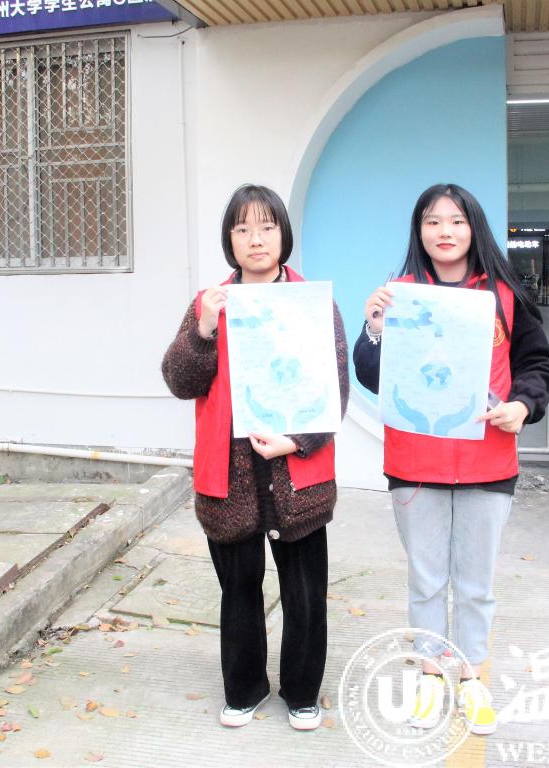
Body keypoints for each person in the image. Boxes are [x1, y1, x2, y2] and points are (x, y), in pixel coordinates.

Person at [352, 183, 549, 736]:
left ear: (473, 228)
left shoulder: (505, 295)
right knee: (426, 582)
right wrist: (373, 330)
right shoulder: (399, 296)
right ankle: (428, 676)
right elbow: (371, 376)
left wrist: (522, 405)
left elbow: (537, 365)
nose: (445, 231)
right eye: (433, 221)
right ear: (419, 231)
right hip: (415, 465)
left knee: (475, 585)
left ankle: (470, 678)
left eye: (457, 221)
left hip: (488, 463)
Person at [161, 184, 349, 732]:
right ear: (230, 240)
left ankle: (302, 692)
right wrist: (202, 330)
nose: (255, 239)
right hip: (232, 476)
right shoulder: (211, 303)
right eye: (242, 229)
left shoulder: (313, 302)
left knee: (305, 595)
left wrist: (299, 441)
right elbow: (179, 381)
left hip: (297, 474)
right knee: (239, 592)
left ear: (283, 234)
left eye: (267, 226)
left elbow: (335, 386)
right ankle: (243, 689)